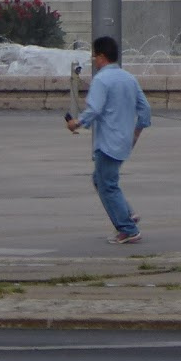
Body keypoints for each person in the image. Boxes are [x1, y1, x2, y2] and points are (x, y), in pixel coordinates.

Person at [66, 35, 151, 244]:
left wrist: (76, 123)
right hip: (124, 141)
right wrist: (136, 133)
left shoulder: (102, 80)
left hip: (108, 143)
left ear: (102, 57)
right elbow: (145, 110)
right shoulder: (129, 78)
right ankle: (127, 213)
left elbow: (94, 109)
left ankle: (128, 229)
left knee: (107, 185)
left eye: (95, 56)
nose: (94, 60)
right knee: (101, 179)